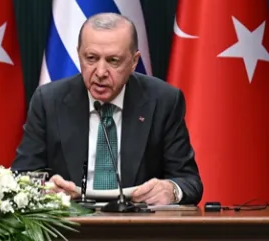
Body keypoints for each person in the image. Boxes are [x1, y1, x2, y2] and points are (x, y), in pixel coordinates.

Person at [12, 13, 202, 206]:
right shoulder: (49, 101)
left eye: (113, 61)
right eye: (91, 58)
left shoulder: (163, 101)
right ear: (79, 55)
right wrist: (45, 189)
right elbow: (21, 176)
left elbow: (189, 182)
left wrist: (171, 190)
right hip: (70, 219)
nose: (101, 72)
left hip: (138, 220)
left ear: (134, 61)